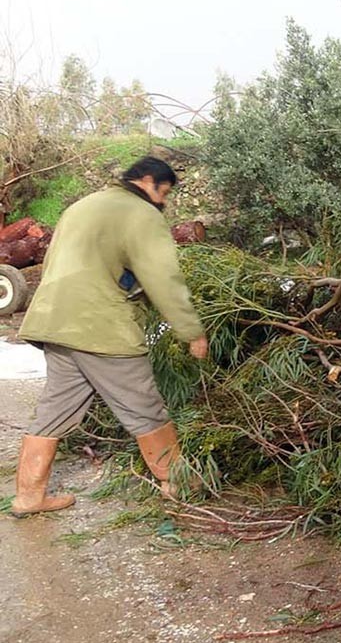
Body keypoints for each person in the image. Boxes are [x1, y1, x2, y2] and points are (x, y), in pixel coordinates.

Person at [11, 156, 208, 516]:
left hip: (55, 321)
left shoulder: (81, 206)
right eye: (163, 192)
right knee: (144, 407)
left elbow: (58, 260)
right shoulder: (142, 214)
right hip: (101, 325)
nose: (163, 201)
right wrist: (191, 330)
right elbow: (163, 276)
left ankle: (28, 496)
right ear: (147, 181)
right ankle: (177, 482)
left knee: (55, 410)